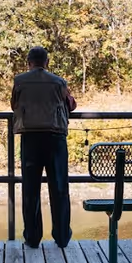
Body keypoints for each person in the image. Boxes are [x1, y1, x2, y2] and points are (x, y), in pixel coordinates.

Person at [11, 46, 77, 248]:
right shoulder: (59, 82)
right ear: (47, 62)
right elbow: (71, 105)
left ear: (28, 62)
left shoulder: (19, 81)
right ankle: (62, 235)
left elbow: (14, 104)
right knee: (59, 188)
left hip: (30, 138)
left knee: (30, 189)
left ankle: (32, 237)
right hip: (55, 138)